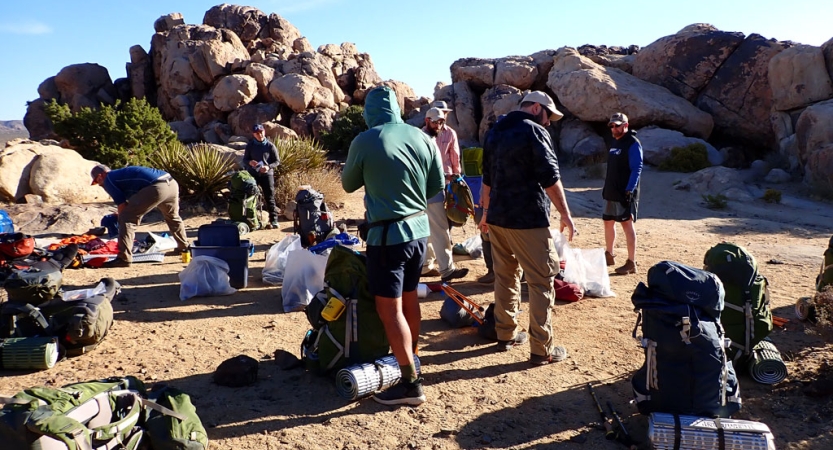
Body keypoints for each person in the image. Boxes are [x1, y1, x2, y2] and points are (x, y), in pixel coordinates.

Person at [342, 86, 444, 406]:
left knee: (390, 310)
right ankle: (411, 357)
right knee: (410, 298)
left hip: (387, 238)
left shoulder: (366, 139)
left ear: (370, 111)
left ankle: (410, 384)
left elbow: (347, 184)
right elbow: (436, 186)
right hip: (419, 234)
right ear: (397, 108)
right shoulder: (422, 138)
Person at [479, 90, 576, 366]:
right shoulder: (534, 131)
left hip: (497, 217)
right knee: (541, 280)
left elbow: (487, 177)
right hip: (528, 219)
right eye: (548, 116)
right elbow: (550, 177)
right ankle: (541, 349)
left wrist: (485, 213)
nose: (549, 123)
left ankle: (505, 333)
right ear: (536, 108)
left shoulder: (495, 130)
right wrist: (566, 214)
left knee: (505, 276)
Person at [90, 164, 189, 267]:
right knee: (172, 217)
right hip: (171, 184)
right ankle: (184, 247)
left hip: (156, 187)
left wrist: (121, 218)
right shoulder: (120, 175)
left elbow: (122, 204)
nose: (99, 185)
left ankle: (124, 258)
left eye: (97, 182)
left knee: (126, 219)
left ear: (100, 176)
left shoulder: (108, 179)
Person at [421, 107, 468, 283]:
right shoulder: (428, 140)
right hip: (433, 190)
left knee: (426, 230)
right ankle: (447, 269)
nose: (439, 124)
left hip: (422, 191)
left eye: (441, 121)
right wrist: (451, 177)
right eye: (436, 121)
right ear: (427, 121)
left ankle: (425, 266)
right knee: (441, 230)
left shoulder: (421, 136)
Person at [603, 112, 643, 275]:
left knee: (627, 224)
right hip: (612, 191)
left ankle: (631, 262)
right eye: (612, 126)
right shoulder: (615, 143)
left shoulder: (632, 143)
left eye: (617, 125)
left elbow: (637, 168)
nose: (614, 128)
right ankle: (609, 254)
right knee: (608, 221)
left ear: (626, 125)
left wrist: (630, 189)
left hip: (625, 192)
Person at [242, 123, 281, 229]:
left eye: (261, 132)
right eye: (257, 133)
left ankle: (274, 220)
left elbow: (277, 161)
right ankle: (252, 220)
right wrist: (250, 162)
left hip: (267, 174)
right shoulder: (250, 145)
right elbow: (245, 160)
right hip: (253, 174)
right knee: (251, 196)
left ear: (264, 131)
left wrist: (268, 167)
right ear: (254, 134)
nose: (260, 135)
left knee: (270, 197)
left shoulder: (270, 145)